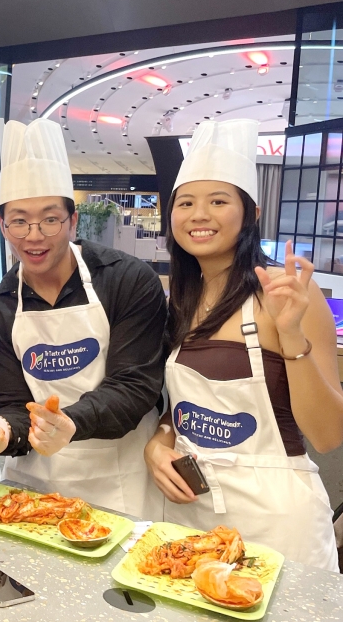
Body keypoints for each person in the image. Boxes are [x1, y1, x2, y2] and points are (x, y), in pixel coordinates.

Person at [143, 119, 343, 570]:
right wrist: (158, 442)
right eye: (186, 203)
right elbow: (184, 406)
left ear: (251, 213)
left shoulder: (285, 292)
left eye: (218, 201)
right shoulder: (182, 298)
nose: (199, 215)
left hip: (275, 526)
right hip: (191, 518)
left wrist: (291, 335)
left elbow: (328, 435)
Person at [0, 118, 166, 520]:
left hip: (121, 478)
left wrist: (69, 422)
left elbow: (135, 386)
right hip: (35, 486)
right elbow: (12, 404)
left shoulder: (126, 280)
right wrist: (0, 435)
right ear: (3, 226)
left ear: (73, 221)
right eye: (19, 220)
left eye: (50, 219)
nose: (34, 235)